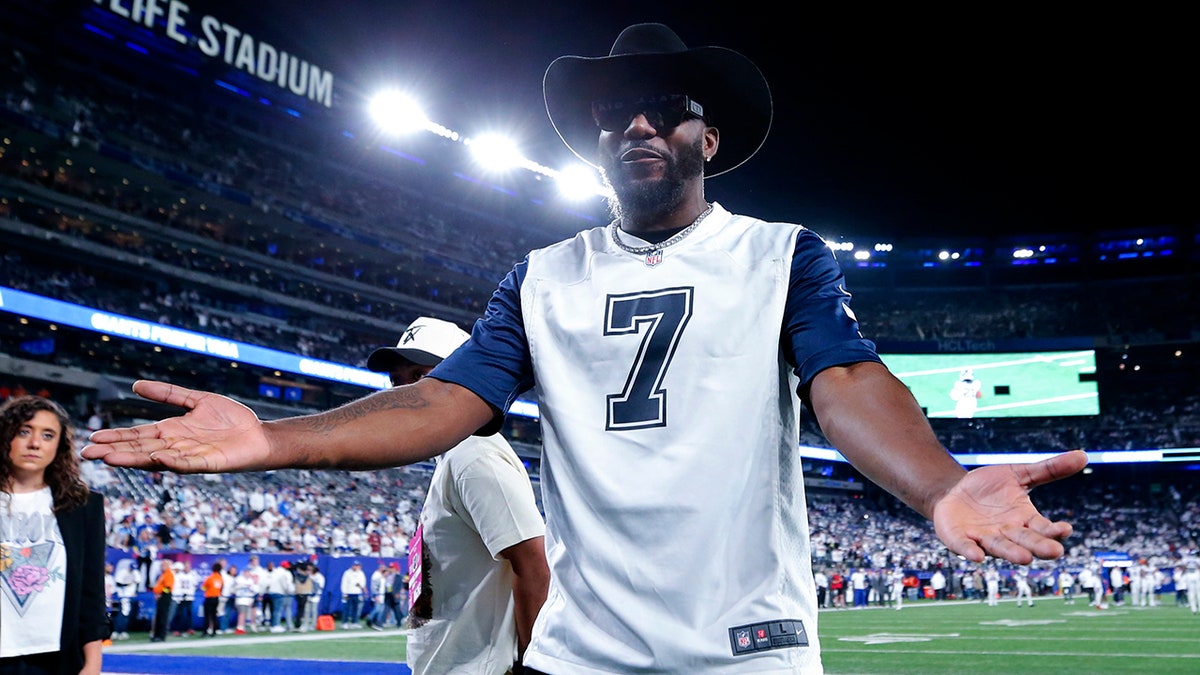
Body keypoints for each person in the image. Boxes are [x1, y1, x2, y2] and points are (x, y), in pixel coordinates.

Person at [84, 22, 1087, 673]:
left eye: (667, 109)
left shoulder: (781, 255)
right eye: (617, 112)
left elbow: (846, 383)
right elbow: (444, 402)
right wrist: (274, 439)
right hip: (579, 657)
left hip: (747, 654)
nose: (638, 124)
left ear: (712, 140)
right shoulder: (542, 272)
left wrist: (940, 487)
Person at [366, 317, 548, 672]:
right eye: (397, 382)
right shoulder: (454, 454)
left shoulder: (472, 452)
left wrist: (531, 665)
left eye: (420, 376)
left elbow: (533, 561)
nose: (405, 393)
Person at [0, 396, 109, 674]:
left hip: (55, 658)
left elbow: (91, 591)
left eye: (48, 435)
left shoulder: (83, 507)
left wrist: (93, 663)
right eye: (24, 431)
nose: (35, 443)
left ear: (59, 445)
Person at [339, 560, 366, 629]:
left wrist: (360, 586)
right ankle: (344, 622)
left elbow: (363, 583)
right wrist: (344, 593)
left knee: (356, 608)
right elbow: (344, 583)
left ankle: (354, 622)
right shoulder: (347, 573)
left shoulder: (361, 573)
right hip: (348, 593)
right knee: (347, 608)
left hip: (357, 593)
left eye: (358, 566)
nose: (357, 567)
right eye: (355, 565)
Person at [201, 561, 224, 637]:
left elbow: (203, 588)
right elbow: (221, 588)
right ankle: (215, 630)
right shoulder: (220, 578)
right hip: (216, 598)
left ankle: (205, 631)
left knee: (207, 615)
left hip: (209, 598)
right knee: (214, 615)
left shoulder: (210, 578)